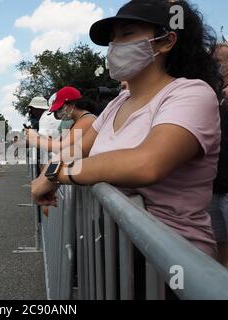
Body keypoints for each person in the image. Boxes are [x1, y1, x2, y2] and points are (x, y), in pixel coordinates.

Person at [31, 0, 223, 262]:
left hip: (172, 261)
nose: (114, 46)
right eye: (113, 39)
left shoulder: (192, 94)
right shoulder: (117, 103)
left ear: (166, 42)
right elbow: (74, 149)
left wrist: (57, 174)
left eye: (127, 34)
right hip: (117, 258)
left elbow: (146, 164)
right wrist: (50, 170)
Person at [26, 87, 97, 157]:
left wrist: (36, 141)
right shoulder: (75, 123)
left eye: (60, 108)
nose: (58, 114)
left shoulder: (87, 120)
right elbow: (56, 143)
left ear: (72, 104)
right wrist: (37, 137)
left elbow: (64, 148)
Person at [208, 42, 228, 266]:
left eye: (220, 61)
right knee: (219, 242)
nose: (216, 66)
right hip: (215, 185)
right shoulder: (212, 92)